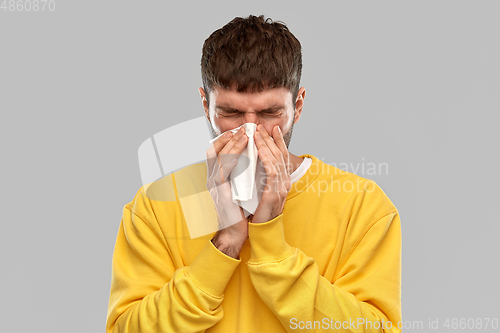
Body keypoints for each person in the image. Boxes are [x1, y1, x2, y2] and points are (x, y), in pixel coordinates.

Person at [106, 14, 402, 333]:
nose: (249, 130)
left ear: (298, 106)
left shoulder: (362, 207)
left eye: (269, 112)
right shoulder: (155, 205)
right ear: (206, 105)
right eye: (230, 112)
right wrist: (227, 243)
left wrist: (271, 243)